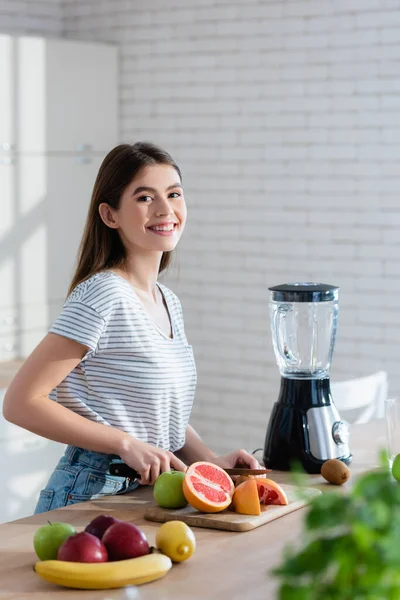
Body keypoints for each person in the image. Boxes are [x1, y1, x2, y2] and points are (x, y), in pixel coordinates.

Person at [3, 142, 261, 514]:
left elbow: (157, 415)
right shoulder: (103, 294)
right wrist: (125, 444)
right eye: (145, 198)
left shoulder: (167, 301)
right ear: (110, 215)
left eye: (174, 194)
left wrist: (209, 462)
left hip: (152, 489)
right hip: (93, 490)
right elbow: (21, 402)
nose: (165, 209)